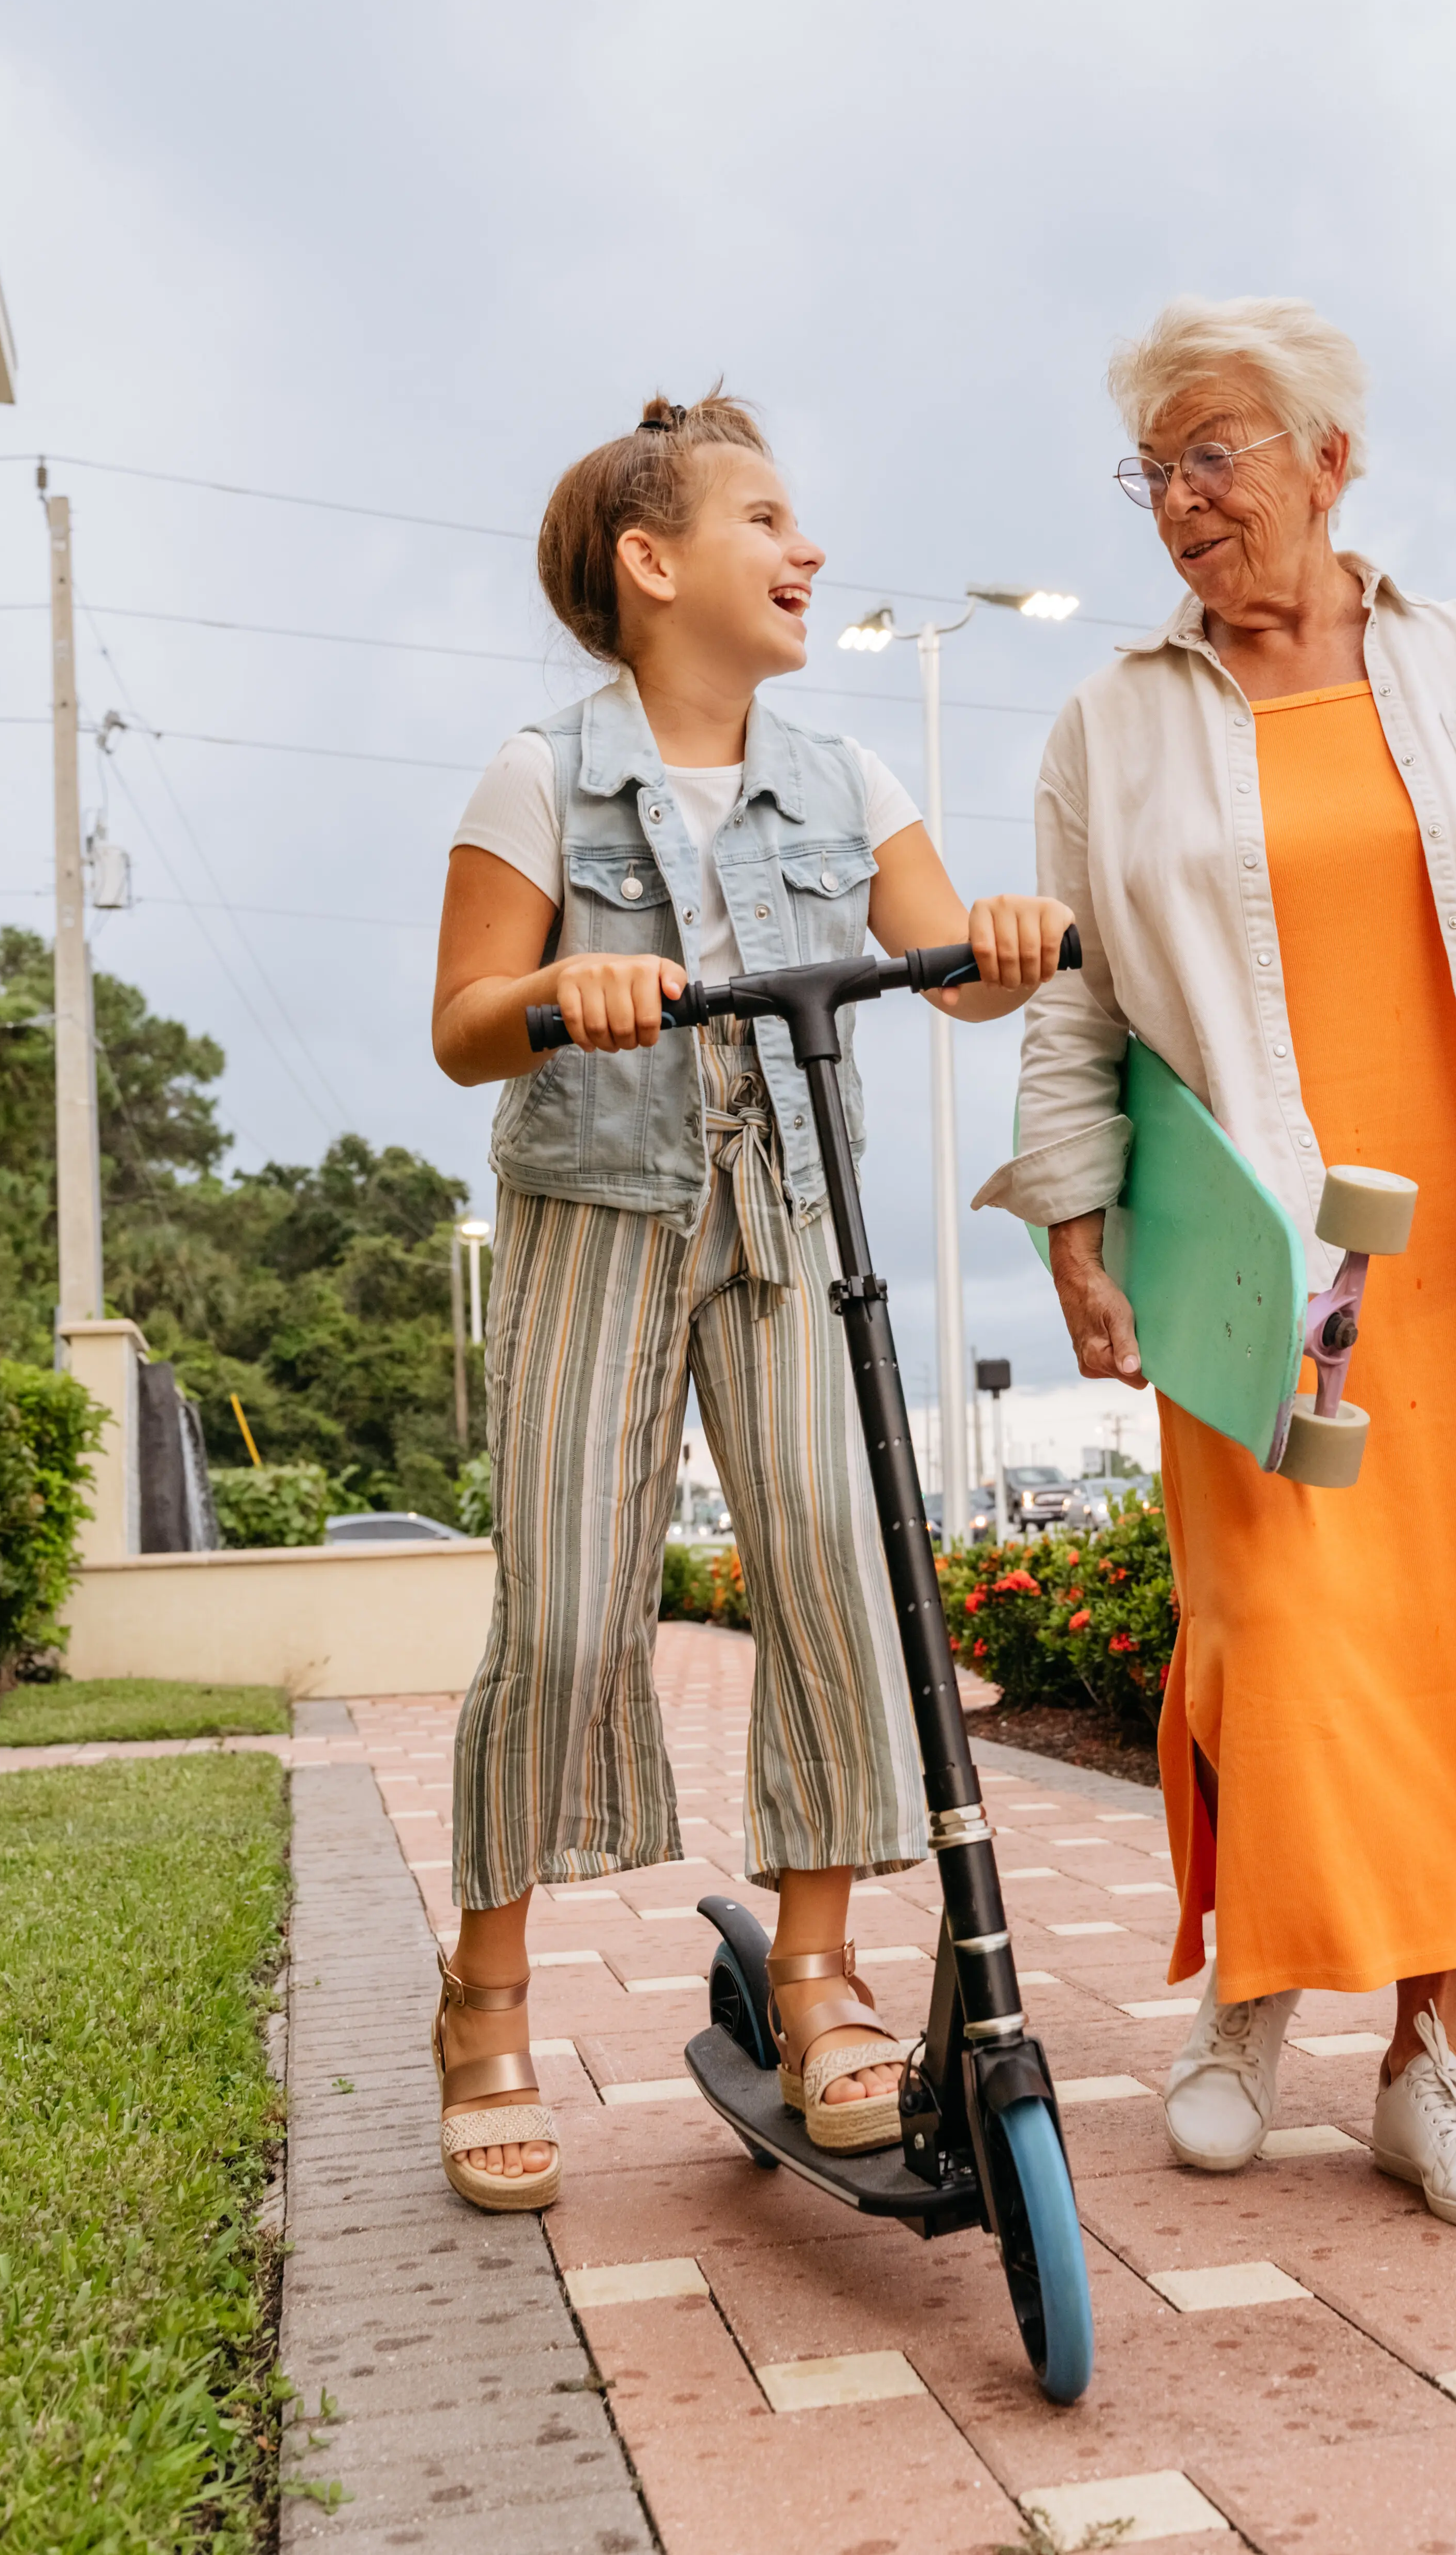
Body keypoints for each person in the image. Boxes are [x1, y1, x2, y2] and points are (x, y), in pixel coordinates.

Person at [977, 300, 1456, 2232]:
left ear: (1330, 460)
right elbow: (1076, 1004)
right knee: (1277, 1636)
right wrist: (1074, 1228)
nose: (1182, 500)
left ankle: (1430, 2063)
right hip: (1256, 1255)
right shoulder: (1111, 720)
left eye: (1216, 454)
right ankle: (1253, 1987)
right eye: (1155, 470)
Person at [426, 393, 1073, 2210]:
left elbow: (952, 973)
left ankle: (815, 1975)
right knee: (568, 1612)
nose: (809, 553)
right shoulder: (540, 774)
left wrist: (1007, 943)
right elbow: (463, 1022)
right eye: (767, 522)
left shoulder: (847, 779)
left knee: (835, 1577)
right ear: (653, 565)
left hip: (790, 1208)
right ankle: (486, 1999)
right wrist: (563, 993)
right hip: (598, 1214)